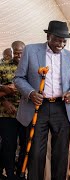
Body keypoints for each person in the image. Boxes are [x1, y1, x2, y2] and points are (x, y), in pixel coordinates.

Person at [13, 20, 70, 180]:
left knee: (61, 153)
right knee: (36, 151)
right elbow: (18, 78)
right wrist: (30, 93)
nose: (61, 44)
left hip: (61, 107)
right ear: (48, 36)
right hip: (37, 107)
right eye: (57, 39)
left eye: (64, 41)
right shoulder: (30, 50)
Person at [0, 40, 25, 180]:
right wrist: (4, 101)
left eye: (21, 53)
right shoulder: (2, 66)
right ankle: (10, 175)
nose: (19, 56)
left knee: (25, 143)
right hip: (6, 113)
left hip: (25, 113)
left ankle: (21, 173)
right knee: (9, 145)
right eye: (16, 53)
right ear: (12, 52)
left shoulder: (30, 66)